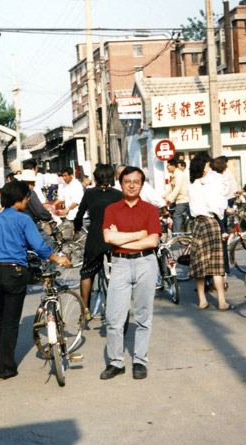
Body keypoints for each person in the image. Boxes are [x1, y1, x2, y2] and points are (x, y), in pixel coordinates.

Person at [0, 180, 70, 380]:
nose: (26, 202)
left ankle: (0, 357)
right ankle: (5, 368)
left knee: (2, 316)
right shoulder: (23, 220)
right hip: (15, 272)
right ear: (19, 199)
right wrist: (56, 258)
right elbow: (39, 247)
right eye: (25, 198)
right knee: (11, 321)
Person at [100, 167, 161, 380]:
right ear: (121, 184)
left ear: (142, 185)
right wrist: (139, 235)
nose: (132, 185)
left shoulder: (151, 210)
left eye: (136, 181)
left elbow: (152, 241)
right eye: (128, 181)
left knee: (144, 316)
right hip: (120, 264)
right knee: (114, 318)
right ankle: (116, 362)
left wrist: (122, 238)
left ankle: (140, 361)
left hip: (146, 263)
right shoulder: (112, 210)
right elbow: (108, 238)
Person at [74, 164, 123, 320]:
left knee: (87, 272)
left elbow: (79, 214)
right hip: (114, 237)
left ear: (96, 177)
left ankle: (85, 309)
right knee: (119, 271)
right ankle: (119, 306)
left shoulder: (89, 193)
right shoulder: (118, 195)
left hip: (95, 236)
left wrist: (76, 228)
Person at [187, 154, 232, 311]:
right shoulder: (211, 183)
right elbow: (215, 205)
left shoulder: (192, 184)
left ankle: (202, 300)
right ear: (203, 166)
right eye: (207, 164)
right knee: (216, 264)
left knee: (200, 263)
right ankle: (221, 301)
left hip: (197, 224)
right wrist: (222, 214)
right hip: (211, 223)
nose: (209, 167)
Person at [162, 158, 190, 233]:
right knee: (170, 212)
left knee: (176, 215)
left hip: (183, 200)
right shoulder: (174, 175)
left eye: (168, 166)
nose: (167, 168)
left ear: (173, 166)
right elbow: (170, 189)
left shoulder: (179, 175)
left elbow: (177, 188)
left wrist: (169, 199)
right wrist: (161, 197)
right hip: (178, 200)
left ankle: (177, 235)